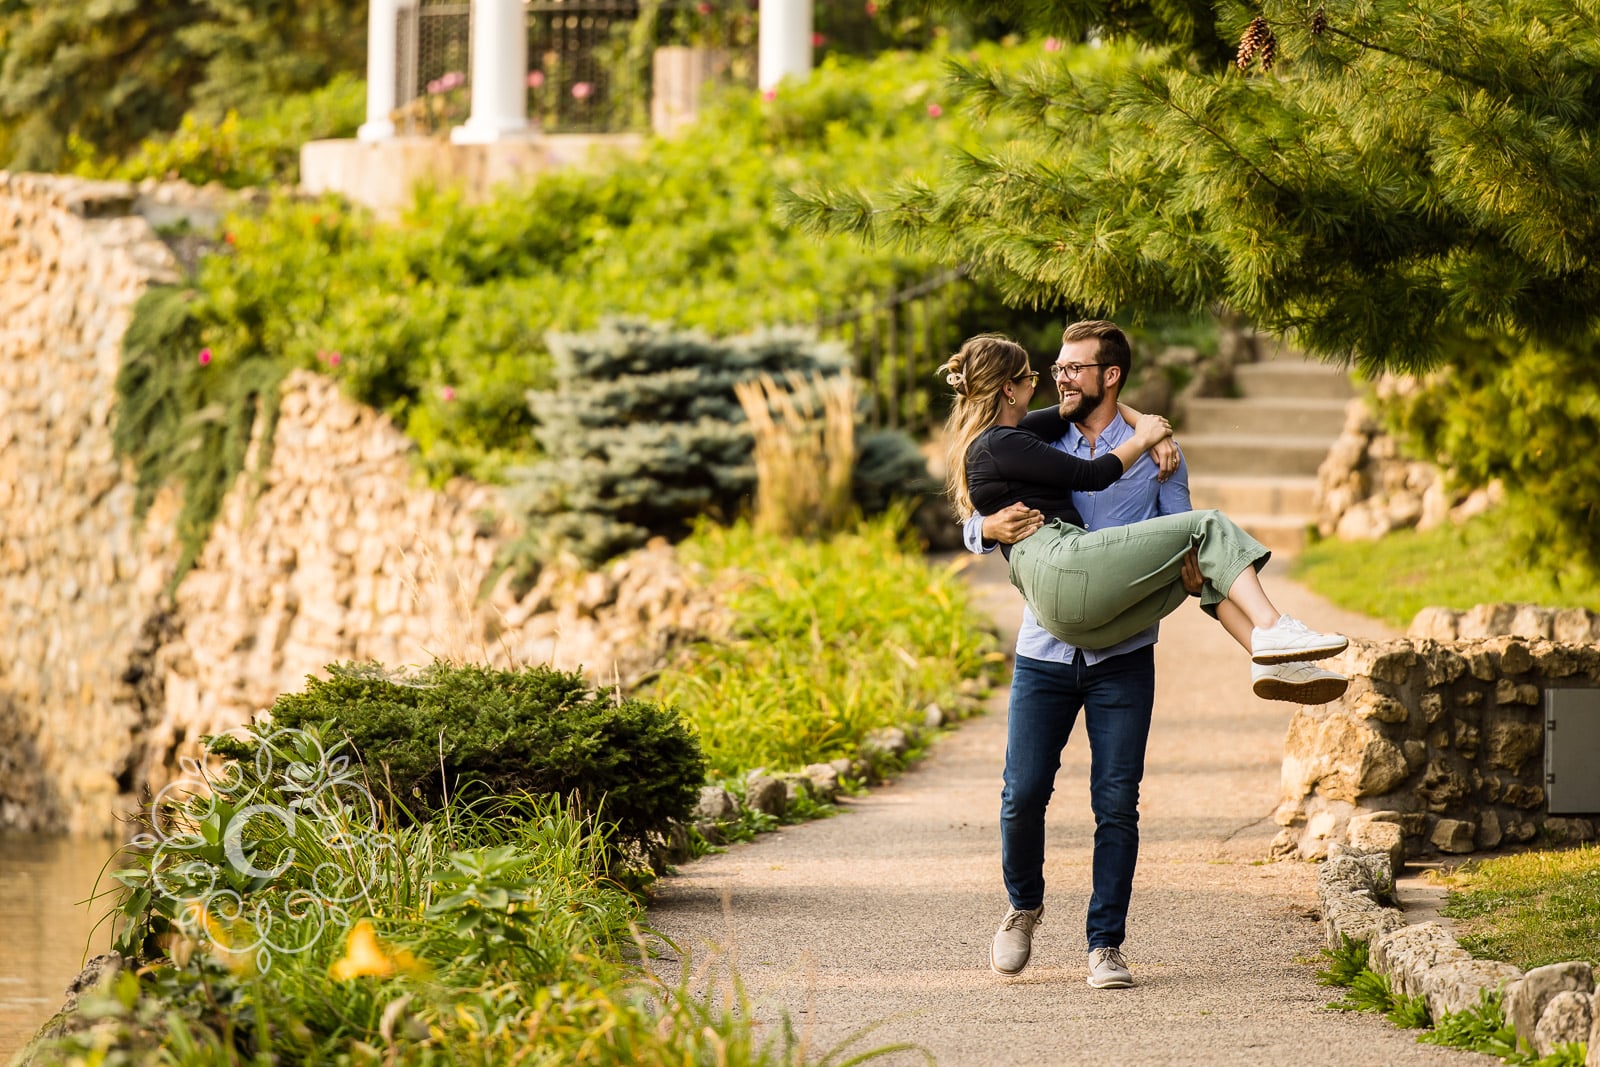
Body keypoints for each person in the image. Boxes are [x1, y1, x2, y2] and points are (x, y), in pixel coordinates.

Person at [943, 326, 1349, 986]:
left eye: (1074, 368)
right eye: (1054, 368)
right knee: (1022, 795)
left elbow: (1187, 549)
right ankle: (1023, 907)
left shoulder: (1164, 460)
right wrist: (980, 527)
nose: (1060, 378)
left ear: (1112, 376)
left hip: (1123, 648)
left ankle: (1104, 943)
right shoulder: (1041, 437)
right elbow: (982, 473)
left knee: (1117, 801)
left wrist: (1153, 437)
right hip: (1049, 644)